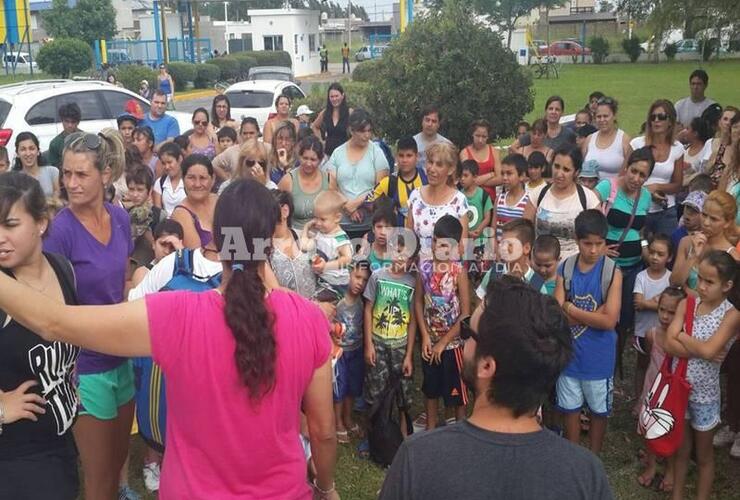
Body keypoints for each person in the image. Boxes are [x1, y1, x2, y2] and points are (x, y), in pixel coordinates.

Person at [0, 179, 340, 499]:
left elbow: (54, 322)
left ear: (215, 239)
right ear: (272, 237)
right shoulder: (307, 319)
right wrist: (325, 487)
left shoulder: (177, 316)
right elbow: (323, 431)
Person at [379, 277, 613, 500]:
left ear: (487, 366)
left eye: (467, 333)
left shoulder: (419, 458)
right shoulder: (587, 473)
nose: (464, 342)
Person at [41, 130, 134, 500]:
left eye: (81, 174)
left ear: (105, 175)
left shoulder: (120, 218)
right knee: (97, 480)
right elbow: (50, 311)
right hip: (85, 369)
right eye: (66, 174)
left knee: (117, 464)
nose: (71, 183)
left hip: (122, 358)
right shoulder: (59, 233)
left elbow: (123, 284)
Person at [0, 172, 80, 500]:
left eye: (10, 225)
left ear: (41, 224)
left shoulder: (62, 268)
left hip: (60, 445)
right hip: (15, 459)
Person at [660, 251, 736, 500]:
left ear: (727, 285)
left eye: (709, 282)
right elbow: (669, 343)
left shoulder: (732, 315)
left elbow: (709, 350)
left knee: (704, 456)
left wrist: (681, 335)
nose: (701, 286)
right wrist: (697, 346)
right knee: (681, 451)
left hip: (705, 395)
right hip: (679, 389)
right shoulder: (687, 303)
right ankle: (677, 496)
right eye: (699, 278)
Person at [554, 210, 623, 455]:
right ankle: (574, 457)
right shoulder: (566, 268)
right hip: (570, 357)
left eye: (599, 244)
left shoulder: (613, 272)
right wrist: (597, 316)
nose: (593, 250)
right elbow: (557, 316)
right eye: (587, 244)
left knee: (598, 411)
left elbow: (610, 321)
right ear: (576, 239)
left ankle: (593, 457)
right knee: (570, 409)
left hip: (599, 358)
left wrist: (570, 307)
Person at [595, 146, 654, 372]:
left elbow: (639, 231)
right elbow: (587, 213)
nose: (637, 178)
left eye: (643, 175)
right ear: (626, 167)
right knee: (603, 315)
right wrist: (599, 247)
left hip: (634, 267)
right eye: (634, 171)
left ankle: (614, 365)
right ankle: (599, 361)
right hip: (608, 268)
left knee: (625, 320)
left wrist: (645, 248)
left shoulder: (646, 196)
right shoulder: (608, 187)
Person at [414, 215, 470, 430]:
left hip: (452, 345)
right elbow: (418, 302)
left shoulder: (459, 273)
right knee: (430, 389)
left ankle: (460, 433)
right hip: (430, 342)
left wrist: (444, 342)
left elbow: (465, 314)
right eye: (435, 240)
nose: (438, 246)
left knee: (456, 394)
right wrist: (426, 336)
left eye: (445, 243)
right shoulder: (424, 267)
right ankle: (430, 430)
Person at [363, 232, 419, 424]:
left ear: (412, 259)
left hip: (400, 347)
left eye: (407, 255)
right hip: (378, 343)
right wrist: (368, 344)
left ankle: (404, 433)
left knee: (404, 393)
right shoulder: (377, 277)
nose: (401, 257)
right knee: (375, 389)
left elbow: (412, 321)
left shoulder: (412, 283)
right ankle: (374, 432)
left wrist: (409, 354)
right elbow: (368, 309)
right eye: (398, 250)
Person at [636, 286, 684, 492]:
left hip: (671, 394)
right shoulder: (651, 334)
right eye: (662, 310)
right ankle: (652, 465)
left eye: (672, 312)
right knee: (649, 429)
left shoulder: (683, 341)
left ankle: (671, 470)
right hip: (652, 387)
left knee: (670, 431)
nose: (665, 316)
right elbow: (650, 360)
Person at [523, 145, 600, 260]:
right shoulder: (538, 194)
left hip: (574, 267)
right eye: (557, 167)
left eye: (566, 170)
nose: (559, 174)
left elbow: (596, 238)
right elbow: (525, 231)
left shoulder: (589, 199)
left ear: (576, 172)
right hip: (540, 266)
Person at [327, 109, 389, 238]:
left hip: (370, 225)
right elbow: (331, 186)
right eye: (362, 131)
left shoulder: (376, 153)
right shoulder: (337, 153)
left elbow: (381, 186)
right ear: (351, 130)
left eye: (369, 131)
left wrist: (355, 204)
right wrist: (346, 206)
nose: (366, 135)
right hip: (341, 224)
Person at [630, 100, 684, 237]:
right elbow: (625, 177)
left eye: (661, 117)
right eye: (652, 117)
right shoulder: (637, 144)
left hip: (666, 210)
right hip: (638, 207)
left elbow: (677, 185)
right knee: (637, 251)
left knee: (665, 252)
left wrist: (656, 187)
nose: (656, 121)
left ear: (671, 121)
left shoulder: (677, 148)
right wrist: (647, 192)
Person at [407, 142, 469, 260]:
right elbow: (409, 239)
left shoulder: (459, 201)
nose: (432, 169)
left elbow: (462, 247)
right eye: (430, 162)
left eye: (439, 164)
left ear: (450, 169)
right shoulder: (415, 196)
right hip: (419, 271)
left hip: (446, 271)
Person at [632, 234, 672, 410]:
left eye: (660, 254)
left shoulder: (671, 279)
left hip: (662, 334)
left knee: (658, 366)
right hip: (642, 331)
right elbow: (638, 303)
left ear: (669, 257)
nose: (654, 257)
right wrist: (658, 303)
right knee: (642, 365)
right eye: (652, 252)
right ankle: (639, 399)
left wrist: (653, 304)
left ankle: (657, 401)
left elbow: (672, 306)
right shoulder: (641, 276)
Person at [333, 260, 370, 443]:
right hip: (340, 353)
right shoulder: (337, 299)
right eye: (357, 277)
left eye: (364, 280)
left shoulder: (363, 302)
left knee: (353, 387)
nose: (359, 283)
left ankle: (348, 418)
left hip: (356, 350)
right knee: (340, 387)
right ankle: (338, 421)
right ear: (349, 273)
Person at [671, 190, 738, 291]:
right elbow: (674, 282)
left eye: (714, 219)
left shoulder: (733, 257)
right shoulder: (687, 242)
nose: (706, 223)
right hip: (684, 305)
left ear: (727, 222)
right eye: (704, 215)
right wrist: (693, 256)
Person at [476, 219, 549, 298]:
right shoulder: (493, 273)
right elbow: (480, 302)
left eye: (510, 244)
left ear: (526, 248)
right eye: (502, 243)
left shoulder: (537, 285)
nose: (503, 248)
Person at [301, 190, 353, 298]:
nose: (318, 223)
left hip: (335, 284)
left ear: (337, 218)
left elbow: (347, 259)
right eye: (316, 217)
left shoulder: (340, 238)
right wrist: (306, 228)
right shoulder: (321, 233)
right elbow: (304, 246)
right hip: (322, 280)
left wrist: (326, 266)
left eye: (323, 219)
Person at [367, 136, 427, 227]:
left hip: (425, 236)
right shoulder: (390, 182)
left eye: (409, 155)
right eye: (401, 155)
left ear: (417, 156)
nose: (404, 160)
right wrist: (385, 211)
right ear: (396, 157)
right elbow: (368, 201)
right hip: (398, 236)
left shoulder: (426, 178)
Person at [278, 135, 334, 231]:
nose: (308, 163)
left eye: (313, 160)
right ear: (299, 157)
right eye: (305, 158)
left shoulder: (329, 180)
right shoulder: (288, 180)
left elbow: (334, 210)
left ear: (320, 160)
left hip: (323, 235)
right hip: (296, 234)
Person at [270, 189, 318, 298]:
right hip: (285, 310)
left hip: (313, 309)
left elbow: (323, 276)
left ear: (285, 211)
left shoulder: (305, 237)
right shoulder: (263, 248)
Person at [171, 154, 218, 249]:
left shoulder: (220, 201)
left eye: (203, 178)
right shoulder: (181, 213)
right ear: (183, 180)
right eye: (191, 178)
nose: (197, 184)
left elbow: (238, 246)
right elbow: (197, 257)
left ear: (212, 179)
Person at [126, 165, 166, 272]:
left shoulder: (159, 215)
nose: (135, 194)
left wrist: (145, 231)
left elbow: (164, 248)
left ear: (149, 191)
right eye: (131, 189)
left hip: (152, 269)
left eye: (140, 190)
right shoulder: (123, 214)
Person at [583, 97, 632, 180]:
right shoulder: (589, 139)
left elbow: (630, 171)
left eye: (606, 116)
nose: (602, 120)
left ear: (614, 116)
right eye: (599, 116)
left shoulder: (624, 140)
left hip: (615, 190)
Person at [128, 218, 184, 289]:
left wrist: (182, 254)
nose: (167, 251)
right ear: (154, 244)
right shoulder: (143, 273)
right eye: (163, 245)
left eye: (172, 247)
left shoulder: (186, 272)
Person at [510, 96, 576, 154]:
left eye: (557, 109)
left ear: (562, 112)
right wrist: (525, 160)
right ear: (546, 111)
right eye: (550, 109)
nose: (553, 112)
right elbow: (513, 147)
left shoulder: (568, 134)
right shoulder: (538, 130)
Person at [459, 160, 492, 267]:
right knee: (465, 270)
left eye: (465, 175)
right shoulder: (459, 196)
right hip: (464, 242)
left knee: (480, 270)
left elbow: (487, 217)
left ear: (475, 177)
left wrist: (479, 229)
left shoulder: (483, 195)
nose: (462, 179)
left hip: (480, 242)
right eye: (460, 176)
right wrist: (467, 233)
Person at [492, 154, 529, 248]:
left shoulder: (528, 201)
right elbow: (493, 229)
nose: (504, 178)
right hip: (499, 254)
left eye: (509, 173)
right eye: (502, 173)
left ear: (521, 176)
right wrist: (495, 250)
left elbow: (526, 234)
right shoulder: (499, 199)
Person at [212, 118, 264, 182]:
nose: (248, 136)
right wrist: (228, 180)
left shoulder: (267, 149)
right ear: (240, 134)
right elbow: (214, 164)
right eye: (245, 133)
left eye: (251, 133)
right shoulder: (232, 151)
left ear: (258, 133)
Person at [459, 119, 501, 198]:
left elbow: (500, 179)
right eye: (477, 136)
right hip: (471, 198)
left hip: (490, 198)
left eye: (484, 137)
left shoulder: (494, 151)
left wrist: (478, 181)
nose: (480, 140)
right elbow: (467, 180)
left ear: (488, 136)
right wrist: (491, 174)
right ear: (472, 134)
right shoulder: (464, 153)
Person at [12, 132, 59, 200]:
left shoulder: (52, 171)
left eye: (31, 148)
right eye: (23, 149)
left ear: (38, 151)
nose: (28, 153)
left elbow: (57, 198)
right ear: (17, 154)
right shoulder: (14, 179)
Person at [312, 82, 352, 157]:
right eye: (332, 96)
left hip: (345, 154)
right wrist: (321, 142)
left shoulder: (349, 112)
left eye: (336, 96)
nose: (334, 99)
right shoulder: (325, 112)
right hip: (329, 154)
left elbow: (357, 130)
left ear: (342, 96)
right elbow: (314, 126)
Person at [705, 108, 739, 186]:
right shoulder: (720, 150)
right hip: (713, 191)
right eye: (735, 127)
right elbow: (706, 172)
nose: (727, 123)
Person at [671, 189, 707, 262]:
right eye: (687, 207)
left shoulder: (708, 237)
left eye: (694, 211)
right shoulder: (676, 235)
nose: (688, 213)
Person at [413, 105, 452, 173]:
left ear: (438, 124)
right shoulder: (412, 142)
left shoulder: (447, 145)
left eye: (434, 121)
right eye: (427, 120)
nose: (430, 124)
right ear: (422, 121)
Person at [152, 142, 186, 217]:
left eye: (170, 162)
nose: (167, 167)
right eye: (163, 163)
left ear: (180, 159)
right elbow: (158, 212)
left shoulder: (188, 182)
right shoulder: (160, 183)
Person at [48, 103, 82, 168]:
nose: (70, 125)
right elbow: (54, 168)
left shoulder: (85, 139)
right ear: (62, 121)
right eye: (67, 121)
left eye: (73, 122)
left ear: (78, 122)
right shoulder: (55, 143)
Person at [268, 120, 298, 185]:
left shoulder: (298, 162)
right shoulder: (268, 160)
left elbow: (295, 185)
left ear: (293, 142)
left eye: (287, 140)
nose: (283, 143)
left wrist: (285, 165)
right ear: (274, 140)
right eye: (280, 139)